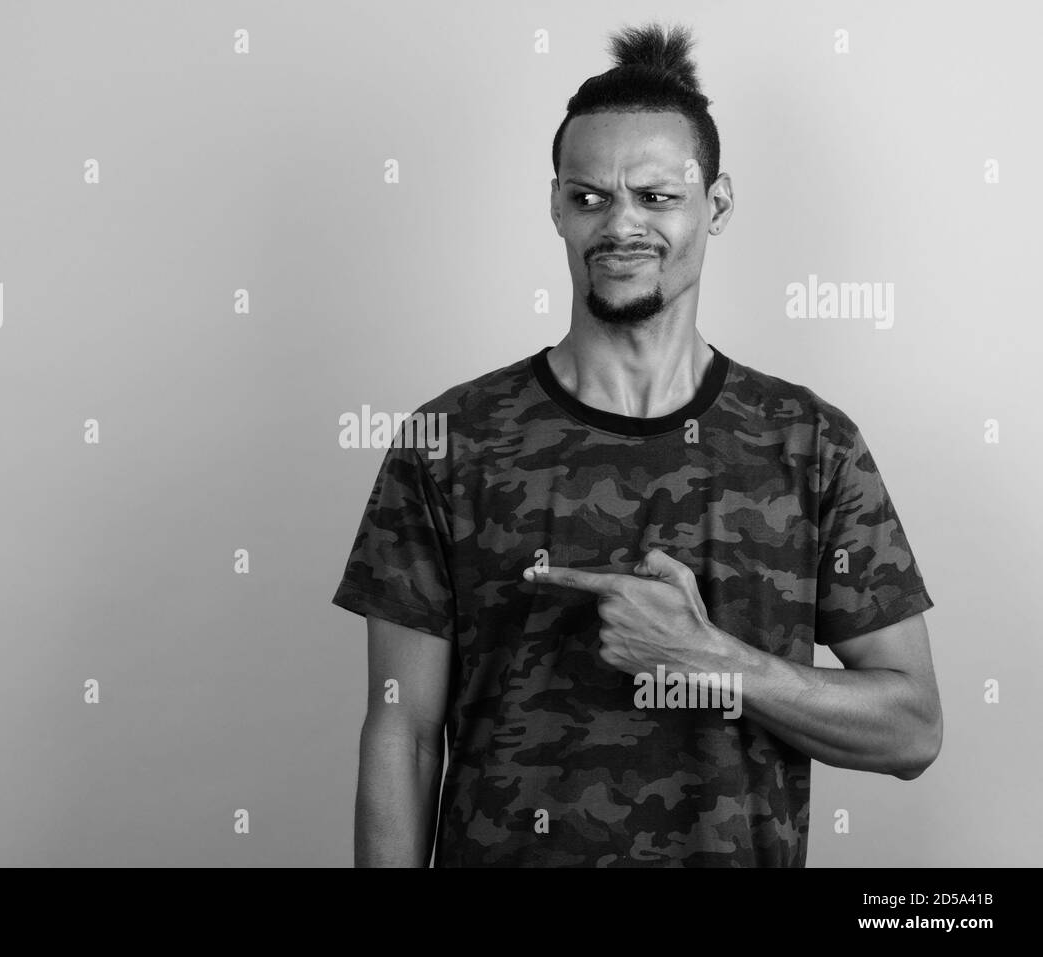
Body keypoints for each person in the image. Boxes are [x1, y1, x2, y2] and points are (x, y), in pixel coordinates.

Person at [332, 22, 941, 867]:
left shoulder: (812, 444)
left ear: (715, 205)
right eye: (590, 197)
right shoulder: (446, 442)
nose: (622, 225)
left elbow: (912, 728)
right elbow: (401, 728)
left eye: (657, 197)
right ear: (556, 205)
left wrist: (711, 660)